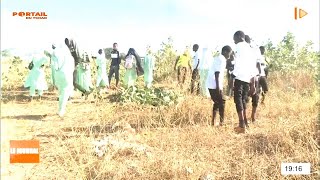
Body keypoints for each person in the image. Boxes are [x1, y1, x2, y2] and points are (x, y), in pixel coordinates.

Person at [232, 31, 257, 133]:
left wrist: (233, 75)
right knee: (243, 100)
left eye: (234, 39)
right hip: (248, 78)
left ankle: (241, 125)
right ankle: (245, 123)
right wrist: (253, 84)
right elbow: (253, 67)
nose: (234, 41)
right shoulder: (251, 49)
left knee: (238, 99)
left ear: (239, 37)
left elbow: (238, 63)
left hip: (239, 77)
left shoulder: (239, 46)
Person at [207, 45, 233, 126]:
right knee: (222, 102)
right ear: (225, 52)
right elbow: (217, 73)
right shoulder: (221, 59)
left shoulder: (219, 58)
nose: (229, 55)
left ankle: (213, 122)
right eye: (229, 53)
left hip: (212, 84)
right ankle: (221, 123)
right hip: (214, 84)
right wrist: (218, 87)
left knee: (217, 102)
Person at [54, 39, 75, 117]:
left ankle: (60, 109)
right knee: (65, 93)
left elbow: (55, 67)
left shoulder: (58, 56)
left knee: (61, 92)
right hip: (67, 76)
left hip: (58, 76)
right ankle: (61, 110)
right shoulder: (71, 58)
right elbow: (72, 69)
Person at [245, 35, 261, 124]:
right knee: (246, 98)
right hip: (246, 77)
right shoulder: (241, 50)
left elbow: (257, 63)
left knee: (255, 96)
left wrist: (258, 74)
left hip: (252, 76)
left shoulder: (254, 50)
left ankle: (252, 117)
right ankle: (248, 117)